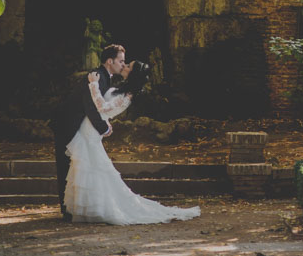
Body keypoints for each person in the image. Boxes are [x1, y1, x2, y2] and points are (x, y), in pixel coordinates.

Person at [63, 59, 201, 224]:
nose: (124, 65)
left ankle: (100, 209)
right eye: (125, 63)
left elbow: (103, 108)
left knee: (94, 168)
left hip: (91, 131)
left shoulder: (127, 96)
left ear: (133, 74)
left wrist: (93, 84)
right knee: (89, 167)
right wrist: (106, 122)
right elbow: (106, 111)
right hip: (89, 128)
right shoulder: (122, 89)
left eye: (128, 66)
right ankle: (87, 210)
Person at [50, 44, 125, 221]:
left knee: (75, 166)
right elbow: (90, 106)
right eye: (121, 61)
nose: (123, 64)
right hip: (67, 124)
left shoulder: (106, 77)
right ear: (110, 61)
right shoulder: (97, 76)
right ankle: (67, 209)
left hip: (78, 126)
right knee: (66, 164)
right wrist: (103, 128)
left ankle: (72, 208)